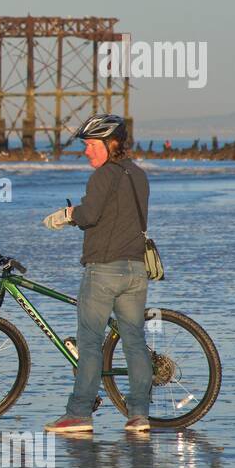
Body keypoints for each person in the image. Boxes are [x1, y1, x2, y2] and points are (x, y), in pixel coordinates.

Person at [41, 114, 152, 434]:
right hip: (135, 270)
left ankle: (78, 414)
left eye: (91, 145)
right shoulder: (139, 175)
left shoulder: (103, 176)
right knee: (134, 342)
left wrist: (66, 215)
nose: (87, 151)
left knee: (90, 343)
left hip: (104, 270)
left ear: (111, 143)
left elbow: (90, 215)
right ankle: (139, 416)